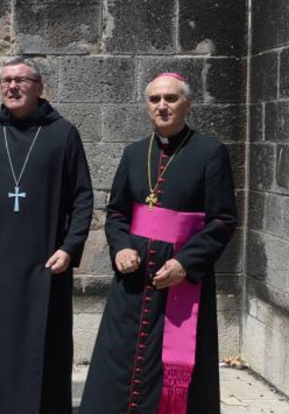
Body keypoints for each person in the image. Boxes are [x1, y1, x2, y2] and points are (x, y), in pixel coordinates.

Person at [79, 72, 238, 414]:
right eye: (154, 99)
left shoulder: (210, 152)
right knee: (120, 357)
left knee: (175, 369)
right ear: (146, 106)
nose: (162, 106)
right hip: (133, 281)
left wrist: (186, 263)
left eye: (171, 98)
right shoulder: (134, 153)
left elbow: (223, 219)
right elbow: (117, 212)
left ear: (187, 103)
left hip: (180, 279)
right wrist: (121, 247)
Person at [0, 56, 94, 413]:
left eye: (21, 80)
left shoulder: (63, 134)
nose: (12, 86)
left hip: (41, 262)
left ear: (39, 87)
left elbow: (83, 197)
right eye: (6, 80)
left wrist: (70, 247)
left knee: (36, 347)